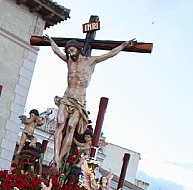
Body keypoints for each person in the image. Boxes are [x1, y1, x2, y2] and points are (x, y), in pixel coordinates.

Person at [46, 36, 136, 169]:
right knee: (59, 124)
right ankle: (56, 158)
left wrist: (124, 45)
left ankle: (58, 158)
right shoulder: (69, 61)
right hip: (66, 97)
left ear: (79, 49)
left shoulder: (91, 61)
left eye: (72, 50)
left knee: (71, 127)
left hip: (79, 101)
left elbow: (110, 54)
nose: (71, 54)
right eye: (69, 52)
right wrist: (50, 41)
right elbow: (56, 51)